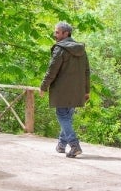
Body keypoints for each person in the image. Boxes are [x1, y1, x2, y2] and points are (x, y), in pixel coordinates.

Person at [39, 21, 91, 158]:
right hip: (77, 91)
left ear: (65, 33)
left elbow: (52, 70)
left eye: (57, 32)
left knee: (62, 116)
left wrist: (43, 86)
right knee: (67, 117)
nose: (54, 34)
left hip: (62, 91)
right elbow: (87, 71)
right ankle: (61, 145)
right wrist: (86, 90)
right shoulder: (81, 49)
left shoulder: (60, 49)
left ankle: (74, 145)